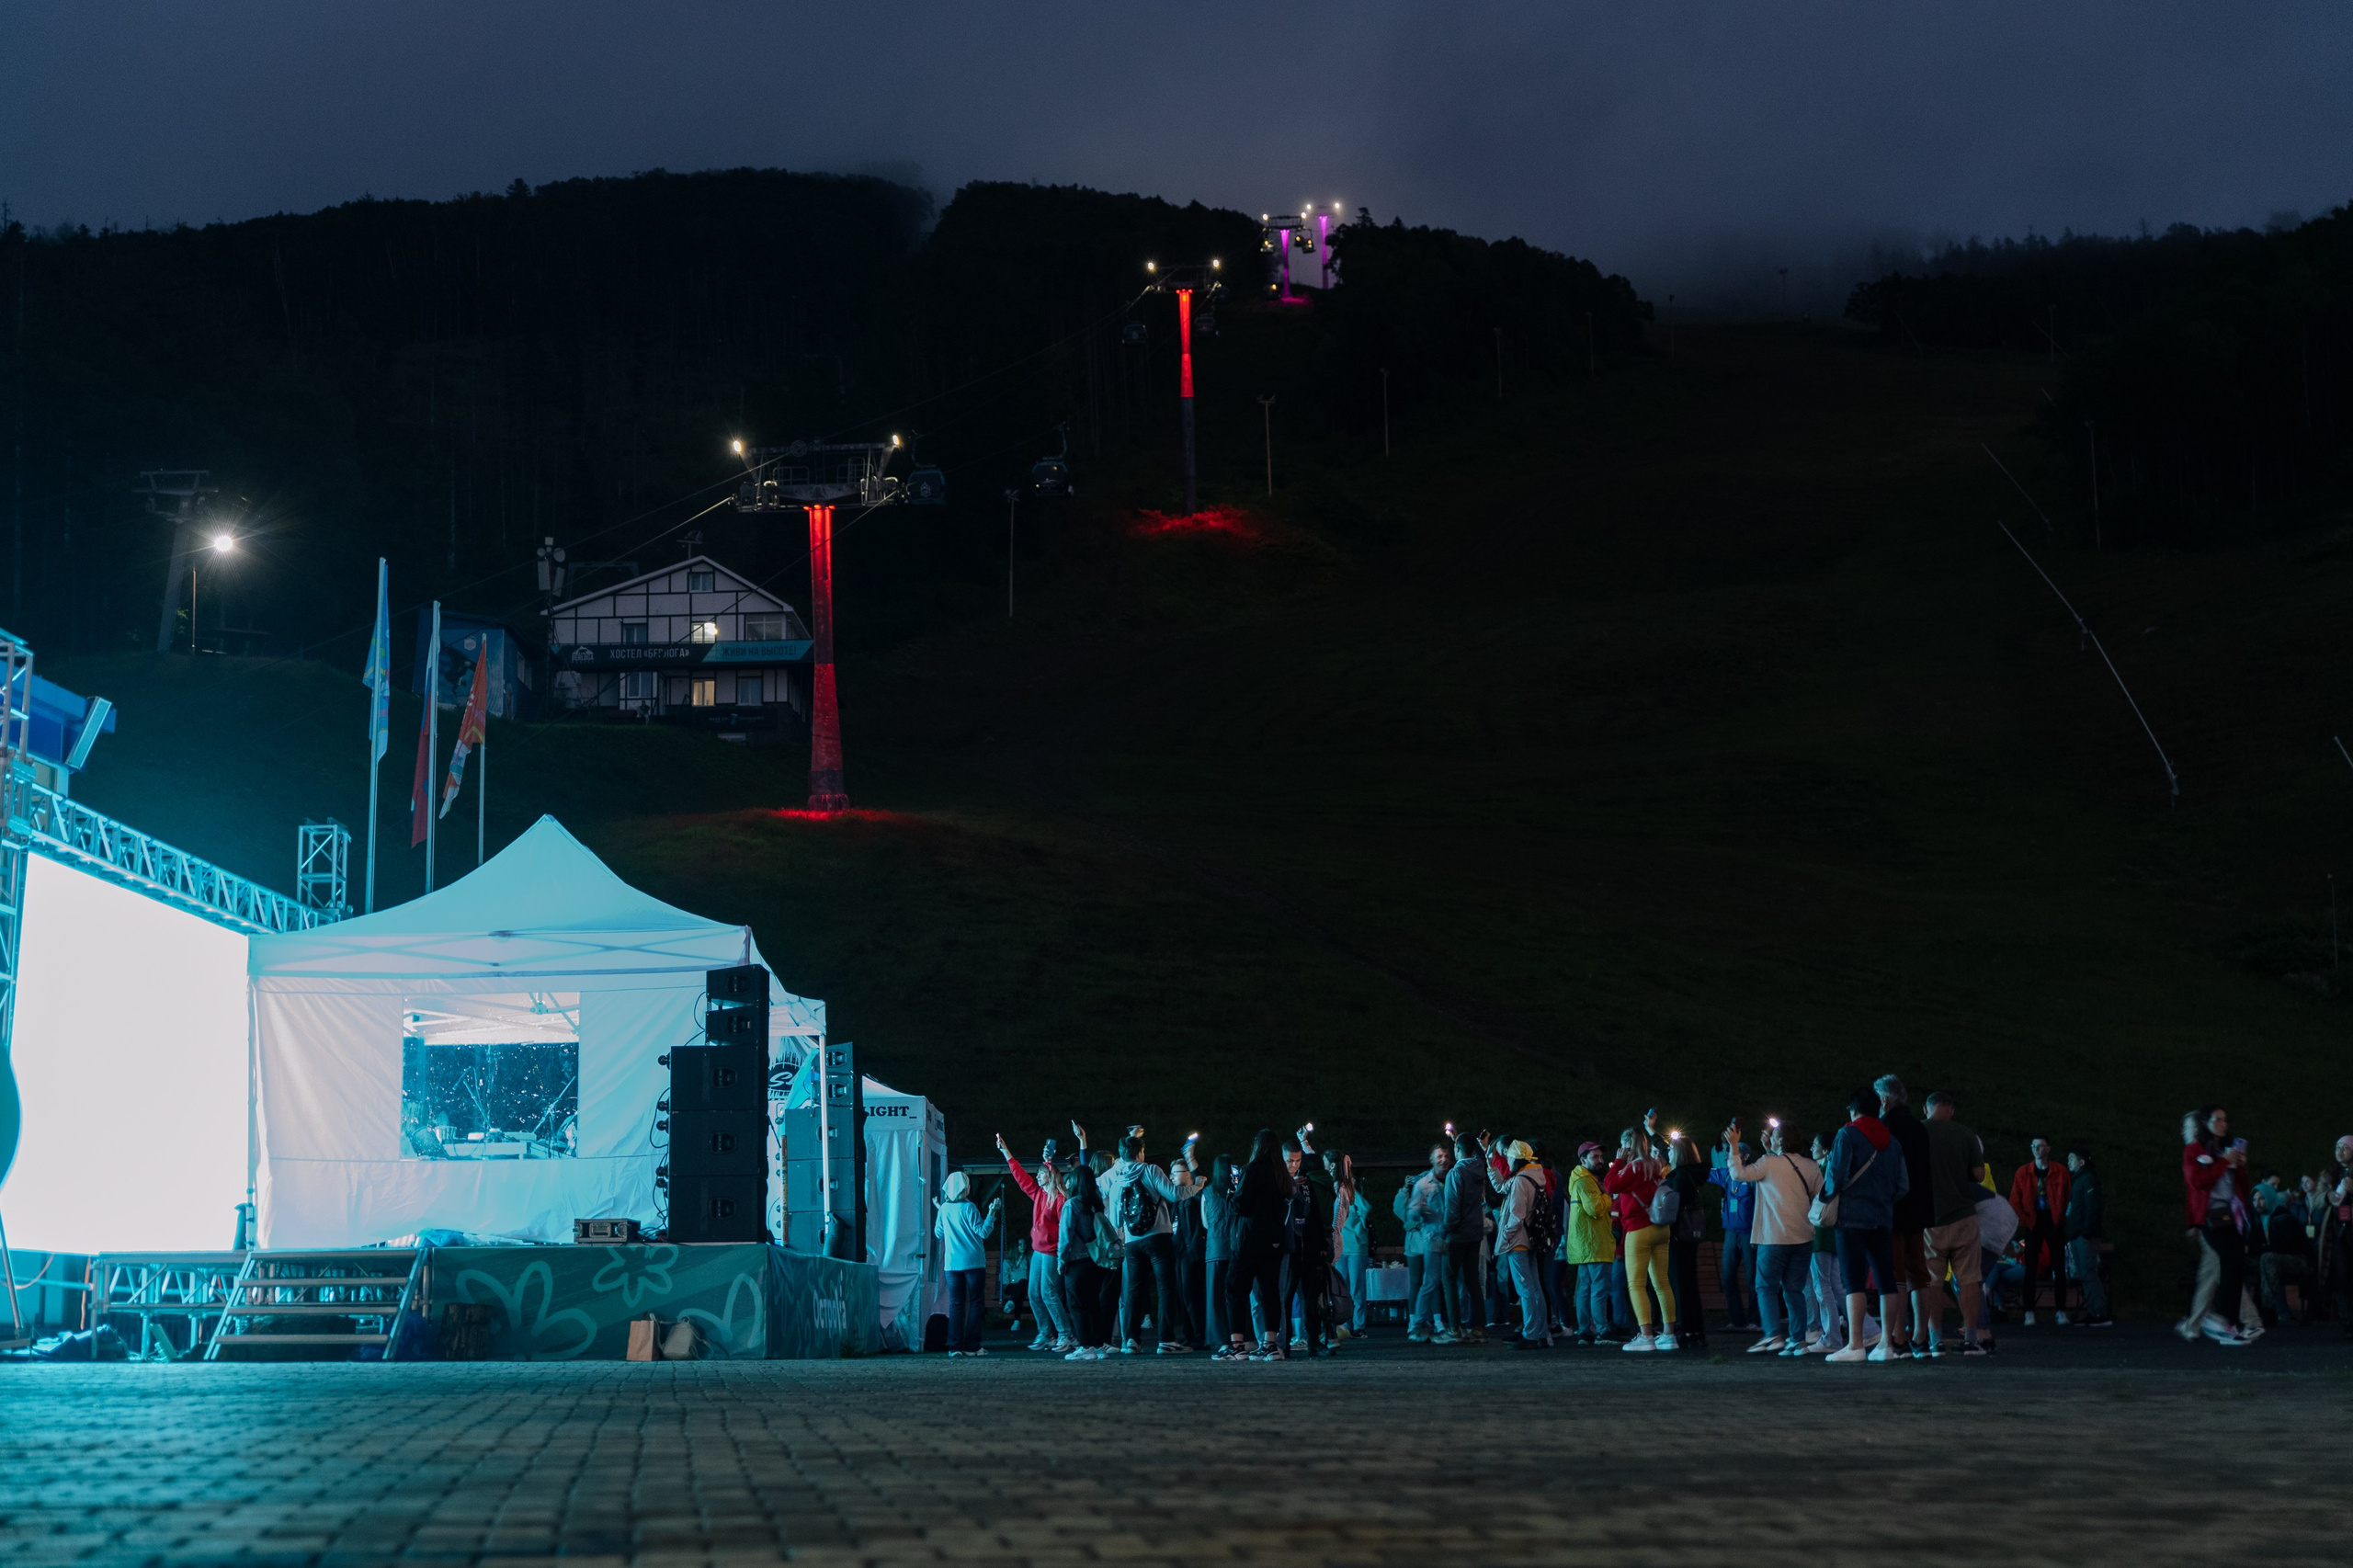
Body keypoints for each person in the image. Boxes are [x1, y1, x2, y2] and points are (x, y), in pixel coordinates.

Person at [1820, 1085, 1910, 1364]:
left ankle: (1855, 1345)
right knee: (1886, 1281)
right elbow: (1903, 1185)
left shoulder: (1847, 1134)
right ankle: (1886, 1345)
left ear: (1853, 1109)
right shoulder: (1893, 1142)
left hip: (1850, 1218)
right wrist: (1883, 1200)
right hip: (1882, 1218)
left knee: (1853, 1282)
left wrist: (1827, 1196)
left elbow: (1836, 1174)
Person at [1097, 1128, 1202, 1355]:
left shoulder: (1118, 1181)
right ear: (1141, 1153)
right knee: (1165, 1288)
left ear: (1122, 1155)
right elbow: (1174, 1194)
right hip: (1159, 1237)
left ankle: (1131, 1341)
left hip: (1133, 1243)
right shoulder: (1151, 1170)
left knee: (1134, 1291)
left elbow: (1115, 1219)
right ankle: (1166, 1340)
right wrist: (1196, 1187)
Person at [1722, 1118, 1820, 1357]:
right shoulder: (1811, 1166)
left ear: (1781, 1140)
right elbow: (1818, 1195)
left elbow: (1738, 1174)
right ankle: (1798, 1340)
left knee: (1764, 1286)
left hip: (1773, 1237)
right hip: (1804, 1236)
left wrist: (1734, 1146)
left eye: (1775, 1136)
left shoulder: (1768, 1163)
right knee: (1794, 1290)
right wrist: (1770, 1150)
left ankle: (1773, 1334)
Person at [1876, 1075, 1940, 1357]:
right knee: (1920, 1274)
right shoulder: (1918, 1127)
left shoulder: (1885, 1128)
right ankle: (1920, 1337)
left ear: (1884, 1099)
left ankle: (1898, 1337)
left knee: (1895, 1274)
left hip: (1894, 1210)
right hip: (1920, 1209)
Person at [1920, 1092, 1988, 1355]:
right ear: (1951, 1109)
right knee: (1970, 1278)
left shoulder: (1918, 1131)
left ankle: (1935, 1339)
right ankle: (1971, 1340)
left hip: (1929, 1219)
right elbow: (1979, 1175)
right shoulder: (1965, 1133)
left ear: (1926, 1108)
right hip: (1963, 1215)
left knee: (1932, 1280)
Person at [2180, 1107, 2255, 1347]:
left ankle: (2227, 1322)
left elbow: (2243, 1185)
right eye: (2218, 1119)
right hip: (2210, 1217)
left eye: (2225, 1119)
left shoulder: (2228, 1148)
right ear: (2206, 1123)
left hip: (2230, 1216)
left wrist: (2239, 1165)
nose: (2223, 1124)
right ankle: (2222, 1321)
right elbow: (2197, 1181)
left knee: (2233, 1266)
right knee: (2221, 1266)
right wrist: (2223, 1162)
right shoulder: (2194, 1150)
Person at [996, 1134, 1074, 1353]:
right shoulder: (1039, 1194)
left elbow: (1066, 1229)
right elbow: (1020, 1177)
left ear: (1050, 1176)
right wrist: (1006, 1152)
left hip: (1051, 1252)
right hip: (1038, 1251)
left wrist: (1062, 1255)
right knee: (1033, 1293)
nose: (1037, 1177)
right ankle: (1046, 1334)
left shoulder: (1059, 1199)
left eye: (1040, 1174)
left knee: (1048, 1293)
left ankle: (1065, 1335)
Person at [1604, 1130, 1678, 1352]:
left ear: (1626, 1145)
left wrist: (1618, 1162)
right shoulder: (1655, 1165)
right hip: (1661, 1228)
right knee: (1662, 1283)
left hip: (1638, 1229)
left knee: (1636, 1284)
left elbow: (1610, 1185)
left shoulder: (1634, 1167)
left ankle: (1646, 1336)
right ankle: (1669, 1335)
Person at [1223, 1129, 1293, 1359]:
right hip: (1274, 1241)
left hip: (1249, 1240)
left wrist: (1231, 1195)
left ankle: (1236, 1345)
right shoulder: (1281, 1174)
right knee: (1271, 1292)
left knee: (1236, 1289)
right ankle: (1271, 1343)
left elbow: (1240, 1205)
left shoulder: (1251, 1171)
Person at [1491, 1140, 1553, 1349]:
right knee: (1535, 1288)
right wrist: (1489, 1160)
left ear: (1517, 1159)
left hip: (1518, 1240)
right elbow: (1501, 1185)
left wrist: (1505, 1236)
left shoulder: (1520, 1181)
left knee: (1525, 1289)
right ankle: (1542, 1333)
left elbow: (1515, 1217)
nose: (1508, 1162)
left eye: (1509, 1158)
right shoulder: (1534, 1175)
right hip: (1532, 1239)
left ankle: (1530, 1334)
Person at [1056, 1126, 1112, 1360]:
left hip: (1076, 1262)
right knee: (1093, 1304)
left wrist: (1061, 1260)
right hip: (1095, 1261)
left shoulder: (1072, 1205)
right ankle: (1099, 1345)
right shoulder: (1095, 1204)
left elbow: (1066, 1236)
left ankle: (1085, 1347)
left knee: (1077, 1305)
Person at [933, 1171, 1001, 1357]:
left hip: (952, 1265)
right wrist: (992, 1213)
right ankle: (972, 1346)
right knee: (976, 1303)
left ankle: (954, 1347)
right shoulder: (969, 1208)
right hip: (973, 1263)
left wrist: (941, 1212)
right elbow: (983, 1232)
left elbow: (938, 1234)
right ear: (965, 1188)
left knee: (955, 1305)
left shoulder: (944, 1209)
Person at [2006, 1136, 2073, 1325]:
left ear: (2048, 1149)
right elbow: (2015, 1200)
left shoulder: (2060, 1172)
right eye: (2034, 1146)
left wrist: (2061, 1218)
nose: (2036, 1149)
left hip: (2053, 1221)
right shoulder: (2023, 1173)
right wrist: (2026, 1221)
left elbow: (2067, 1196)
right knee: (2031, 1267)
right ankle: (2029, 1312)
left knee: (2059, 1267)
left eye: (2040, 1146)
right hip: (2034, 1222)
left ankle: (2060, 1311)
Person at [1281, 1130, 1336, 1356]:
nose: (1294, 1165)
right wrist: (1290, 1187)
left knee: (1311, 1298)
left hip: (1308, 1247)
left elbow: (1312, 1214)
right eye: (1290, 1161)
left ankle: (1313, 1341)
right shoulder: (1280, 1182)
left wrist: (1321, 1244)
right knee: (1285, 1297)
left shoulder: (1306, 1182)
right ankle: (1281, 1344)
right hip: (1288, 1248)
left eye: (1297, 1160)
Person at [1395, 1142, 1452, 1342]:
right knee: (1430, 1281)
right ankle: (1418, 1324)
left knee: (1452, 1282)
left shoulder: (1454, 1179)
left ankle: (1450, 1326)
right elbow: (1410, 1211)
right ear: (1432, 1160)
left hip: (1452, 1238)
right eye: (1439, 1156)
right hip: (1433, 1238)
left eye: (1445, 1156)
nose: (1443, 1159)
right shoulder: (1424, 1184)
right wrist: (1422, 1214)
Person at [1663, 1132, 1715, 1348]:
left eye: (1671, 1149)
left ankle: (1687, 1329)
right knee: (1689, 1283)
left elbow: (1674, 1205)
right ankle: (1695, 1330)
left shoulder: (1680, 1176)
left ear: (1679, 1153)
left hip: (1679, 1235)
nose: (1668, 1152)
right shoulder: (1692, 1174)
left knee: (1681, 1284)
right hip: (1690, 1235)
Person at [1706, 1131, 1760, 1335]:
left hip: (1748, 1233)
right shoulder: (1726, 1175)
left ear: (1744, 1156)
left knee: (1752, 1278)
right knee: (1728, 1277)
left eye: (1731, 1153)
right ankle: (1737, 1320)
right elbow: (1704, 1172)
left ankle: (1755, 1320)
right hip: (1731, 1232)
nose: (1728, 1157)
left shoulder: (1754, 1176)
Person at [1439, 1131, 1490, 1345]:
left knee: (1449, 1278)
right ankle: (1479, 1328)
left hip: (1458, 1234)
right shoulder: (1480, 1168)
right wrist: (1459, 1140)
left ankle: (1454, 1329)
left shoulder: (1456, 1174)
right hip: (1475, 1232)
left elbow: (1452, 1209)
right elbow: (1475, 1155)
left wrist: (1445, 1231)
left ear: (1458, 1150)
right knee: (1473, 1281)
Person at [1563, 1141, 1617, 1345]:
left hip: (1584, 1245)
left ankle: (1585, 1331)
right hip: (1594, 1244)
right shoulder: (1586, 1182)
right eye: (1595, 1157)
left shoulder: (1579, 1180)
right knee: (1599, 1289)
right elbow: (1594, 1209)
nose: (1600, 1160)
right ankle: (1602, 1329)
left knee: (1585, 1289)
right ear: (1583, 1159)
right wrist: (1607, 1196)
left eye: (1600, 1157)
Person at [2063, 1144, 2111, 1327]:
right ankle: (2094, 1311)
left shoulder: (2087, 1180)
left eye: (2071, 1159)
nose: (2068, 1162)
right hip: (2078, 1236)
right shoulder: (2080, 1180)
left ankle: (2100, 1313)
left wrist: (2086, 1232)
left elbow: (2092, 1208)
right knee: (2085, 1274)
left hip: (2084, 1237)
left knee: (2088, 1274)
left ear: (2081, 1162)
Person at [2254, 1184, 2313, 1327]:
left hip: (2299, 1259)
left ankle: (2268, 1309)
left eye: (2262, 1199)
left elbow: (2282, 1246)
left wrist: (2258, 1250)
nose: (2258, 1203)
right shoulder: (2260, 1218)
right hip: (2279, 1258)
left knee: (2267, 1259)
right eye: (2255, 1200)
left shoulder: (2282, 1216)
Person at [1200, 1154, 1244, 1350]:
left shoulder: (1208, 1192)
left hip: (1215, 1249)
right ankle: (1242, 1337)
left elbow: (1205, 1223)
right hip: (1237, 1247)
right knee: (1236, 1295)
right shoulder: (1238, 1191)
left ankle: (1221, 1340)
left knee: (1215, 1297)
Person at [1336, 1154, 1374, 1337]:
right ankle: (1344, 1324)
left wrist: (1353, 1192)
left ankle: (1359, 1326)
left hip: (1356, 1248)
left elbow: (1366, 1209)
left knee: (1357, 1289)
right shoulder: (1338, 1192)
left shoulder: (1353, 1195)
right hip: (1342, 1248)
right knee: (1343, 1289)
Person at [2319, 1141, 2352, 1339]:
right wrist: (2327, 1196)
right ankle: (2348, 1322)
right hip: (2336, 1232)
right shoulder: (2329, 1174)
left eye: (2346, 1147)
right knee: (2342, 1276)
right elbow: (2316, 1200)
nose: (2341, 1151)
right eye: (2337, 1147)